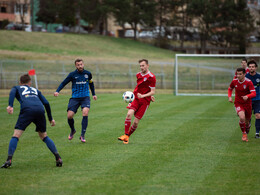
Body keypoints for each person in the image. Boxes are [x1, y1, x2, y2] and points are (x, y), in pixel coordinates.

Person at [1, 74, 62, 168]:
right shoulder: (35, 90)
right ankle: (58, 158)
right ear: (30, 83)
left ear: (20, 82)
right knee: (44, 136)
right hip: (40, 110)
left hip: (27, 110)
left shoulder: (17, 87)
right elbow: (46, 103)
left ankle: (9, 160)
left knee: (16, 135)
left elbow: (12, 93)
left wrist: (10, 105)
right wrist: (50, 119)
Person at [54, 58, 97, 143]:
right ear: (75, 66)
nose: (80, 66)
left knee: (85, 112)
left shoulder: (88, 74)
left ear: (83, 64)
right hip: (75, 98)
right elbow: (63, 83)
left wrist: (94, 94)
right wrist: (57, 91)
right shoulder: (72, 74)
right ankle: (73, 130)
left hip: (85, 97)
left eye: (81, 64)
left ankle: (82, 135)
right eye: (78, 65)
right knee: (69, 116)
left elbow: (91, 83)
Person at [118, 59, 156, 144]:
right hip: (136, 98)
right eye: (140, 66)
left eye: (143, 65)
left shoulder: (151, 77)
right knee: (129, 114)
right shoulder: (138, 75)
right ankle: (125, 134)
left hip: (145, 101)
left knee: (135, 123)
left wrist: (147, 95)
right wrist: (138, 94)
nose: (141, 67)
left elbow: (153, 91)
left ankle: (127, 137)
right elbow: (141, 87)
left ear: (147, 66)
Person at [228, 68, 256, 142]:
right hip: (238, 103)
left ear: (244, 74)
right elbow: (230, 88)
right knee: (242, 117)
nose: (238, 75)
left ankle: (247, 127)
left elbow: (254, 93)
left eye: (240, 74)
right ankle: (244, 134)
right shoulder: (234, 81)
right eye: (237, 74)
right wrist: (230, 97)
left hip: (247, 104)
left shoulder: (248, 82)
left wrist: (247, 96)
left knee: (247, 122)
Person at [245, 60, 260, 138]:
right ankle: (247, 130)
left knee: (258, 116)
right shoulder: (246, 77)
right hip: (248, 100)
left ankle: (257, 133)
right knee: (248, 117)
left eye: (253, 67)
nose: (251, 68)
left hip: (258, 99)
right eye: (250, 67)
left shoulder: (259, 76)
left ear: (256, 68)